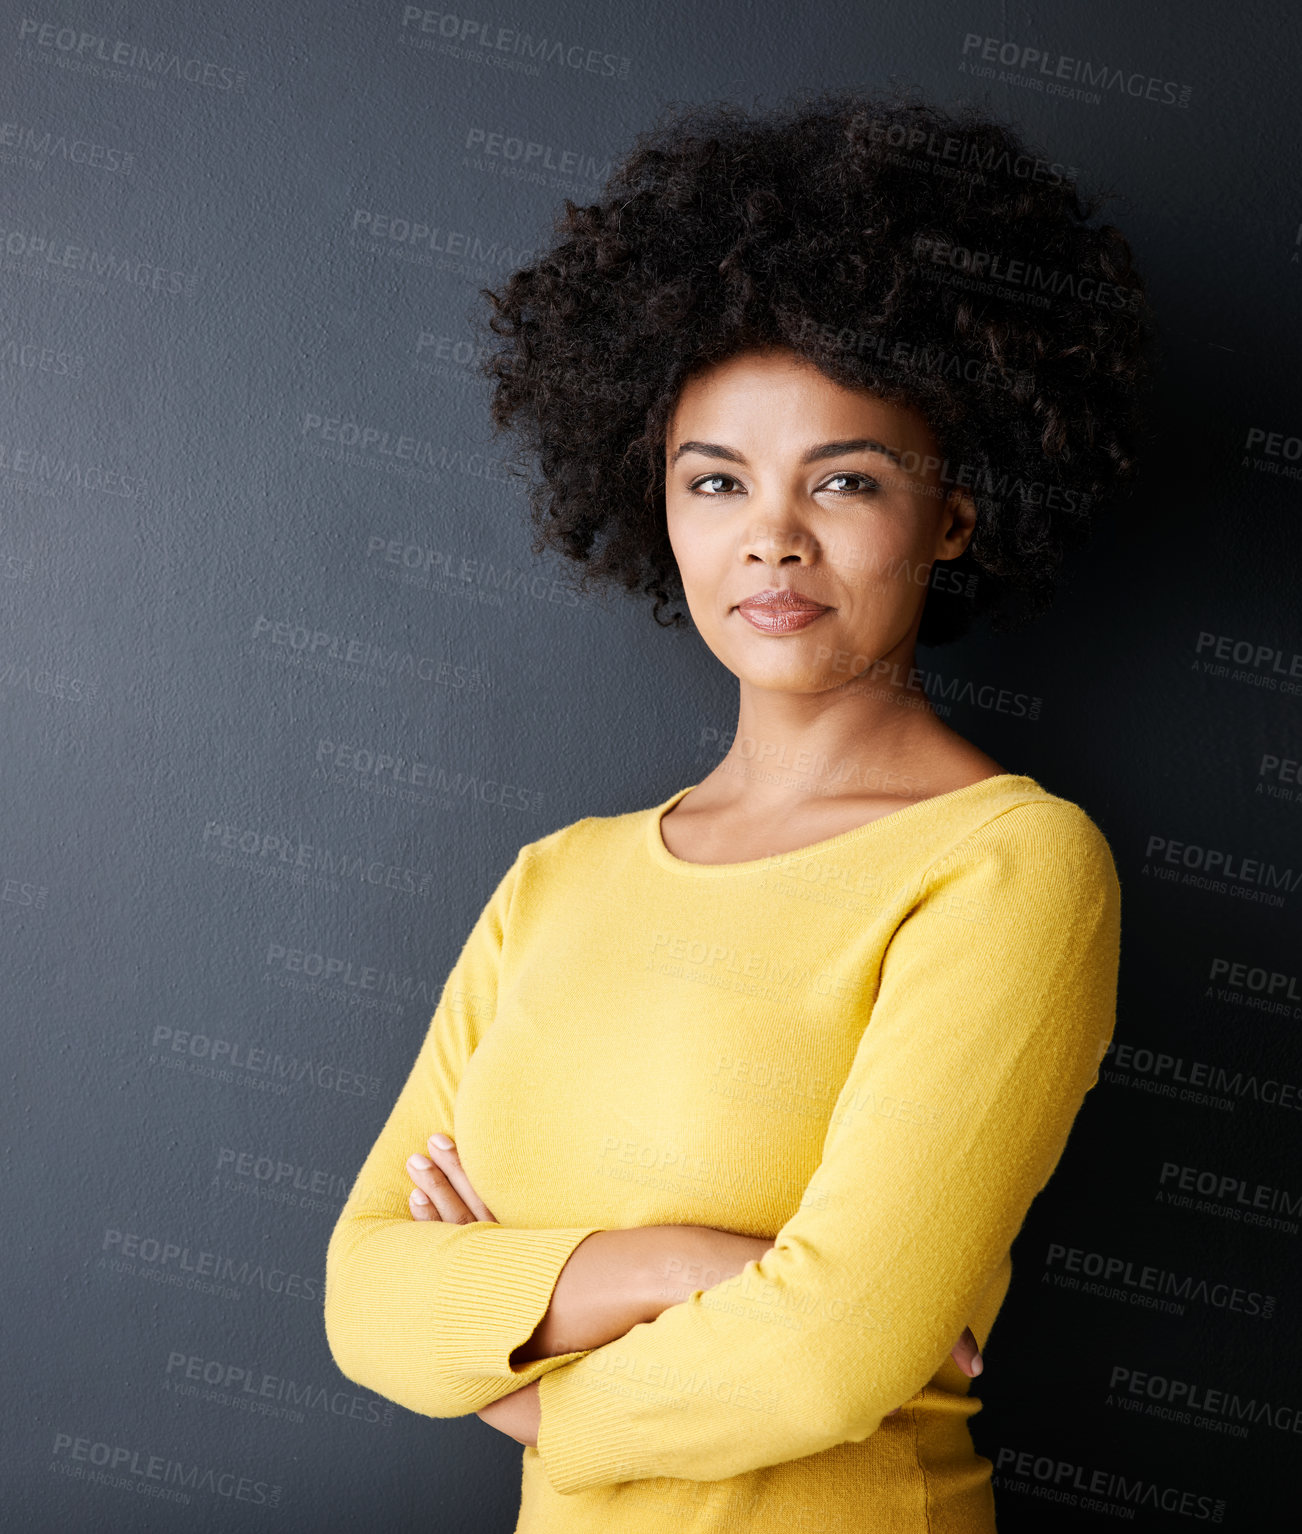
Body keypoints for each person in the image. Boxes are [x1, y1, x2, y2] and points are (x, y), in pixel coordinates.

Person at [323, 84, 1156, 1532]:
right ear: (659, 504)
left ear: (949, 515)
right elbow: (361, 1288)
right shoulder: (556, 880)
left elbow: (830, 1358)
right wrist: (688, 1265)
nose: (770, 533)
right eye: (716, 480)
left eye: (842, 479)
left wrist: (516, 1375)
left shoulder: (1009, 865)